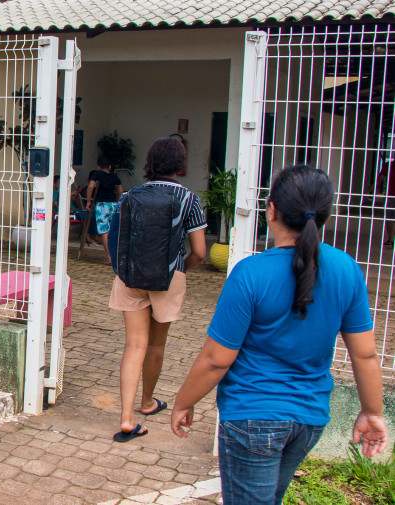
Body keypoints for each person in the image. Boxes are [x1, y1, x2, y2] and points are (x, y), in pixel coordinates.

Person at [170, 165, 388, 505]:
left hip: (252, 416)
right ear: (327, 215)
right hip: (308, 419)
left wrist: (183, 401)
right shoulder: (347, 269)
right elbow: (364, 355)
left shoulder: (250, 274)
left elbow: (216, 360)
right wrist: (372, 411)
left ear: (271, 210)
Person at [110, 137, 207, 442]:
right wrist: (181, 268)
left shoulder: (130, 196)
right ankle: (148, 403)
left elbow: (115, 237)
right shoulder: (190, 199)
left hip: (130, 276)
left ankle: (127, 419)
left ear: (149, 163)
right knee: (155, 346)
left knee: (134, 346)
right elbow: (200, 253)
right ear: (180, 164)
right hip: (169, 276)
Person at [85, 155, 123, 265]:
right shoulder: (115, 176)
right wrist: (117, 201)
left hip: (102, 205)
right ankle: (115, 256)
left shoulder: (97, 174)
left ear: (99, 166)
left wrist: (88, 201)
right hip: (113, 205)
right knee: (114, 231)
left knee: (104, 232)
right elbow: (120, 190)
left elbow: (91, 187)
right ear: (110, 167)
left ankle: (109, 257)